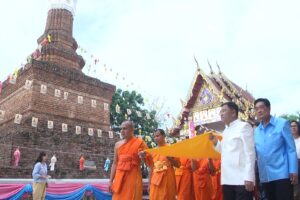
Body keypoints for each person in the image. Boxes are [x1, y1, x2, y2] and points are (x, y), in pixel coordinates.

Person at [254, 98, 298, 200]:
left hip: (282, 173)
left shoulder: (282, 123)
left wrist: (293, 170)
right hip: (265, 175)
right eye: (256, 109)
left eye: (261, 107)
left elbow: (291, 148)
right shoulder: (257, 131)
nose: (259, 111)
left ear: (269, 108)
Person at [210, 102, 255, 200]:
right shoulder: (225, 131)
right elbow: (224, 151)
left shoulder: (244, 126)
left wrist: (249, 177)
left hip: (242, 179)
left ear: (233, 112)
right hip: (227, 178)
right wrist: (215, 142)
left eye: (224, 111)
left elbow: (250, 153)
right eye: (220, 112)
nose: (221, 114)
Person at [108, 121, 151, 200]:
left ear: (132, 130)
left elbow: (150, 162)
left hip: (133, 178)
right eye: (121, 129)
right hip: (119, 178)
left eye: (125, 128)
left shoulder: (140, 143)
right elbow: (115, 163)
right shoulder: (117, 145)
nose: (122, 131)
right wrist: (111, 181)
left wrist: (144, 156)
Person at [147, 129, 179, 200]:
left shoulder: (170, 148)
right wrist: (149, 183)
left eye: (158, 136)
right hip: (156, 180)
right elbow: (151, 168)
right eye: (154, 136)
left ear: (164, 136)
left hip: (168, 178)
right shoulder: (154, 151)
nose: (156, 138)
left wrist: (170, 159)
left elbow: (178, 165)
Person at [291, 120, 300, 199]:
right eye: (291, 126)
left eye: (295, 126)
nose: (293, 128)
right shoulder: (288, 140)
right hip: (291, 164)